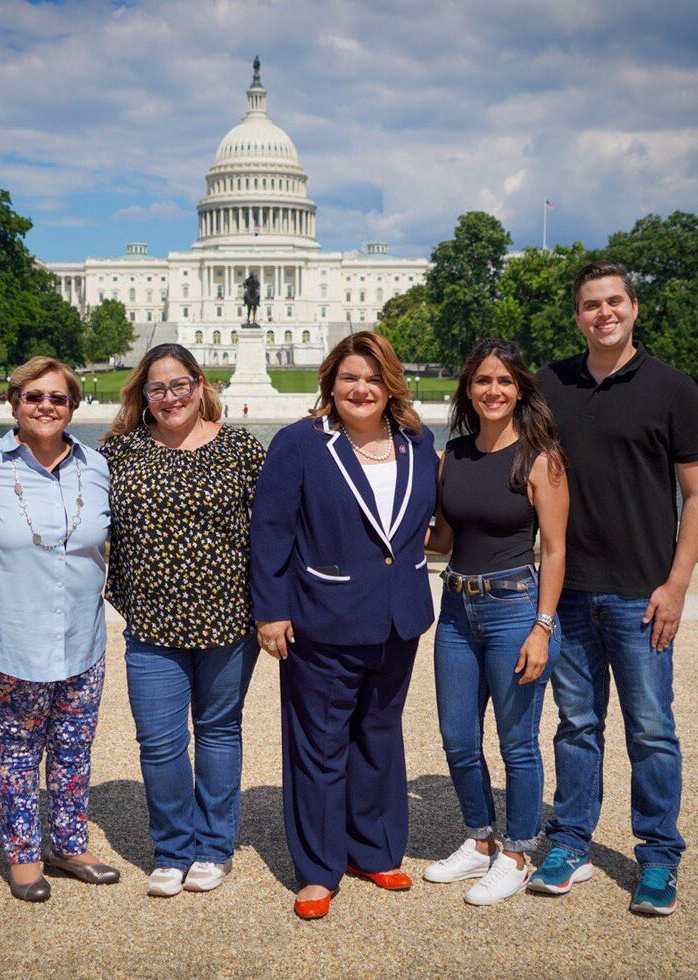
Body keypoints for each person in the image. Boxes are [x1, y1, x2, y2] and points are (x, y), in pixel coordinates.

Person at [531, 262, 698, 915]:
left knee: (652, 729)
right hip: (572, 589)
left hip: (643, 591)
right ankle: (571, 841)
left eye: (614, 302)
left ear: (634, 307)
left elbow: (697, 494)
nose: (603, 313)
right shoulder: (551, 383)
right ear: (577, 314)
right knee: (576, 726)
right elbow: (498, 443)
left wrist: (677, 584)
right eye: (590, 305)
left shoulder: (673, 389)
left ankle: (659, 856)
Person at [250, 331, 438, 920]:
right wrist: (270, 611)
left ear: (391, 385)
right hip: (321, 617)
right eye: (350, 377)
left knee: (380, 737)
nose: (362, 388)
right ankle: (317, 869)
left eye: (373, 378)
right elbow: (271, 532)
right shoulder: (299, 444)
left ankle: (374, 848)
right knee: (320, 746)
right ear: (330, 382)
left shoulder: (417, 441)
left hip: (397, 617)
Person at [101, 343, 265, 898]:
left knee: (219, 732)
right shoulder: (120, 452)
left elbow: (273, 531)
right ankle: (172, 846)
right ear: (142, 395)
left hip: (227, 618)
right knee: (159, 742)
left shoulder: (241, 448)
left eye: (179, 385)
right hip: (150, 619)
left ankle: (214, 847)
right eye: (157, 388)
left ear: (200, 385)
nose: (169, 397)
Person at [0, 356, 119, 903]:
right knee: (17, 751)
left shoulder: (97, 467)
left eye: (58, 398)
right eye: (34, 396)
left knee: (75, 749)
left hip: (82, 638)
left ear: (73, 407)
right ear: (13, 403)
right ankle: (24, 853)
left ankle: (69, 842)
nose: (46, 406)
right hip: (11, 640)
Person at [423, 339, 568, 905]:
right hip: (456, 608)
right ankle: (481, 840)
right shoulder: (451, 456)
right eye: (483, 380)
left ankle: (517, 853)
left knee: (517, 743)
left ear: (520, 389)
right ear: (468, 388)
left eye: (504, 381)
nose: (493, 391)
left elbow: (554, 550)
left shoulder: (540, 457)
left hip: (514, 609)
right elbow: (444, 538)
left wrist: (542, 626)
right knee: (458, 738)